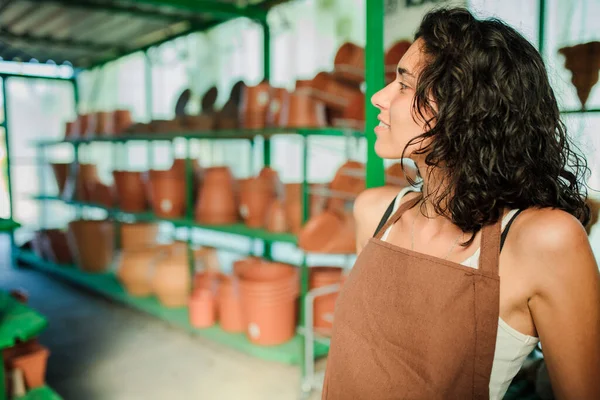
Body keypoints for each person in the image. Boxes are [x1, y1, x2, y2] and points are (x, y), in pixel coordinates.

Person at [322, 7, 600, 400]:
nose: (378, 97)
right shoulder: (375, 213)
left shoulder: (542, 241)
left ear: (465, 106)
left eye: (403, 85)